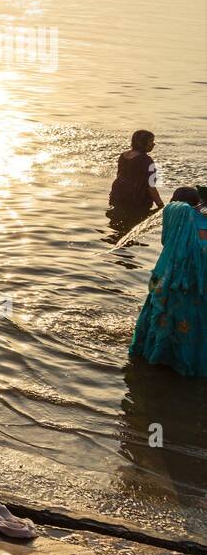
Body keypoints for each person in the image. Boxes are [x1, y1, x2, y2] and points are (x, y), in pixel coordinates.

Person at [128, 199, 207, 377]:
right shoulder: (194, 225)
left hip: (175, 288)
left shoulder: (181, 222)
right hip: (197, 293)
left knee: (167, 323)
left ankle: (159, 361)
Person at [109, 130, 163, 215]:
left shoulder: (123, 155)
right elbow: (151, 185)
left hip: (118, 193)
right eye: (151, 141)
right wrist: (160, 204)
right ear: (143, 143)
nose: (153, 144)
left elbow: (119, 175)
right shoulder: (147, 160)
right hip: (136, 198)